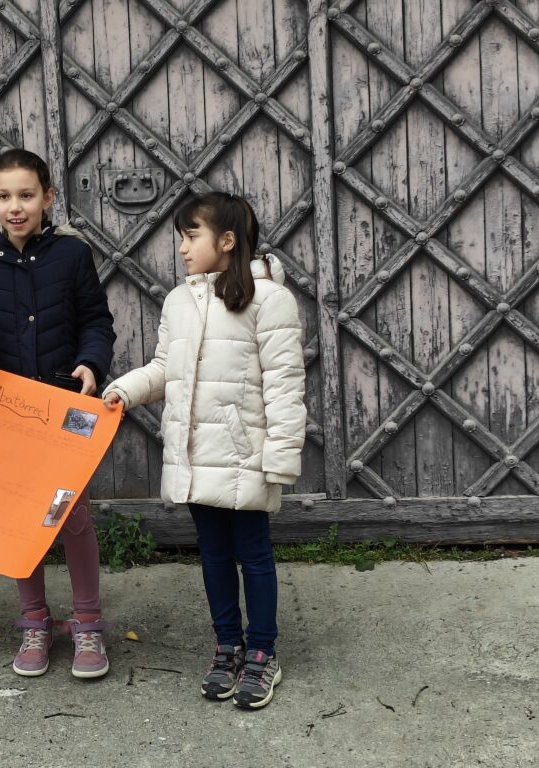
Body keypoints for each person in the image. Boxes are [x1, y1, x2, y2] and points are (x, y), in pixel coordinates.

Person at [103, 191, 306, 709]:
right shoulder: (180, 301)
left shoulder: (270, 301)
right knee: (213, 554)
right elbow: (165, 367)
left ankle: (262, 652)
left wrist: (281, 457)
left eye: (192, 236)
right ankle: (227, 646)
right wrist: (125, 390)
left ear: (227, 240)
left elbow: (285, 385)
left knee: (253, 555)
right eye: (182, 237)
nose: (183, 247)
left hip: (245, 455)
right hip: (195, 454)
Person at [0, 148, 116, 678]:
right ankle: (34, 622)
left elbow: (96, 321)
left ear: (48, 197)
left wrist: (91, 362)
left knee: (74, 516)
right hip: (7, 416)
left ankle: (87, 623)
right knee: (20, 521)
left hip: (65, 409)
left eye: (26, 195)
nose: (15, 207)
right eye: (4, 196)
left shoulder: (72, 257)